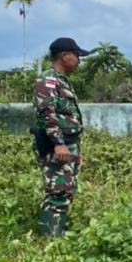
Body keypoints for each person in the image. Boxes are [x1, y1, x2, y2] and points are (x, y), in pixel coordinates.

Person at [32, 37, 90, 237]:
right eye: (77, 56)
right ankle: (49, 238)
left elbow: (69, 119)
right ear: (65, 56)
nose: (79, 60)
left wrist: (76, 152)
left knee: (67, 190)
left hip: (69, 144)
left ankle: (57, 233)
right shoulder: (48, 80)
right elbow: (47, 114)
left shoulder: (63, 81)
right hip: (55, 145)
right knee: (58, 191)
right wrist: (58, 144)